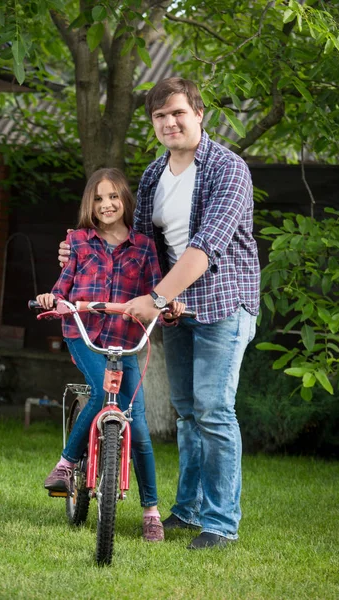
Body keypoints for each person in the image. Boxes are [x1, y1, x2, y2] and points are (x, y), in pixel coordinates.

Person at [58, 78, 261, 550]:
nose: (169, 122)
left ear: (198, 114)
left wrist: (156, 298)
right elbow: (135, 242)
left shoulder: (227, 169)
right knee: (188, 414)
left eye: (178, 113)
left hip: (223, 306)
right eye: (159, 116)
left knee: (213, 410)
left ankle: (220, 523)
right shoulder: (152, 176)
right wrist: (78, 249)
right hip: (175, 309)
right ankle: (187, 512)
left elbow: (204, 249)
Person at [36, 168, 185, 543]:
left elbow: (157, 292)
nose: (106, 205)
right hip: (84, 335)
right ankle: (67, 464)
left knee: (139, 426)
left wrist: (169, 306)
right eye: (99, 198)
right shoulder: (79, 242)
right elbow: (63, 286)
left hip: (126, 339)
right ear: (91, 203)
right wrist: (52, 299)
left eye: (113, 197)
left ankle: (150, 510)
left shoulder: (144, 247)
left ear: (125, 201)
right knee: (101, 393)